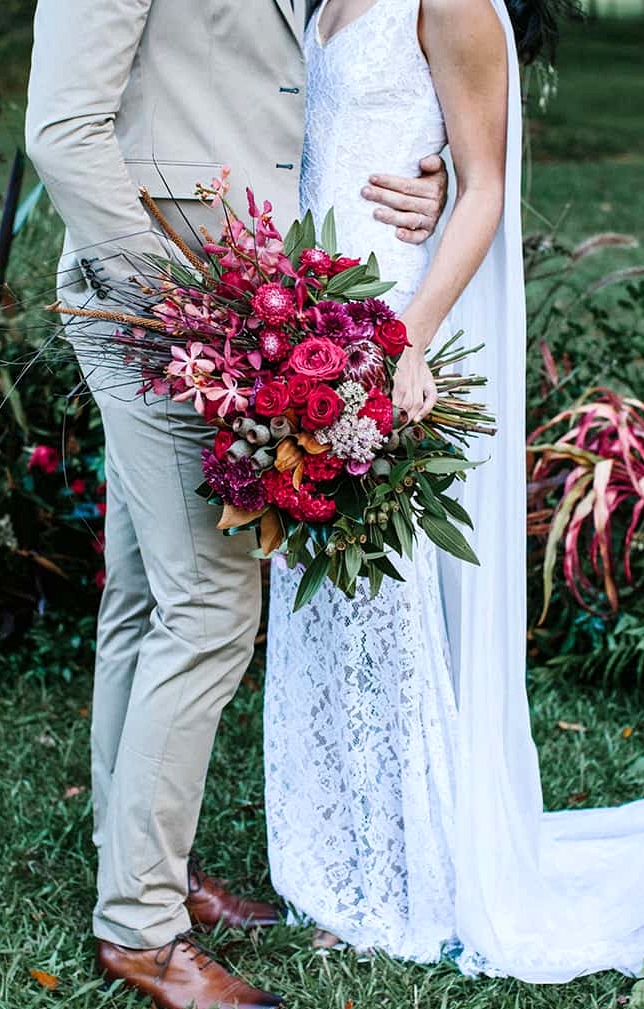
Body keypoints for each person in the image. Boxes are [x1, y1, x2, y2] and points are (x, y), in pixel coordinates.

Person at [24, 2, 449, 1007]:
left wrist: (423, 168)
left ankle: (143, 870)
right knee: (209, 609)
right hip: (158, 305)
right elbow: (59, 131)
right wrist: (181, 308)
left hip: (224, 288)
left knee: (145, 593)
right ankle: (140, 931)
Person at [265, 0, 644, 983]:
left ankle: (402, 866)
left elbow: (481, 187)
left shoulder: (452, 2)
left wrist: (408, 339)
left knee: (382, 601)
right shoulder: (318, 2)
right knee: (321, 596)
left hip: (384, 319)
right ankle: (333, 851)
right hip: (305, 312)